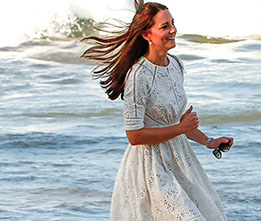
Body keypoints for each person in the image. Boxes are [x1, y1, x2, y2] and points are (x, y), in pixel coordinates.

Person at [81, 0, 234, 220]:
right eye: (164, 26)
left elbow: (180, 123)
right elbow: (134, 136)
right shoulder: (138, 75)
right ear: (146, 35)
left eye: (172, 23)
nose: (173, 30)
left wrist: (209, 142)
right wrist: (180, 127)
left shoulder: (175, 65)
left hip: (181, 161)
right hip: (150, 166)